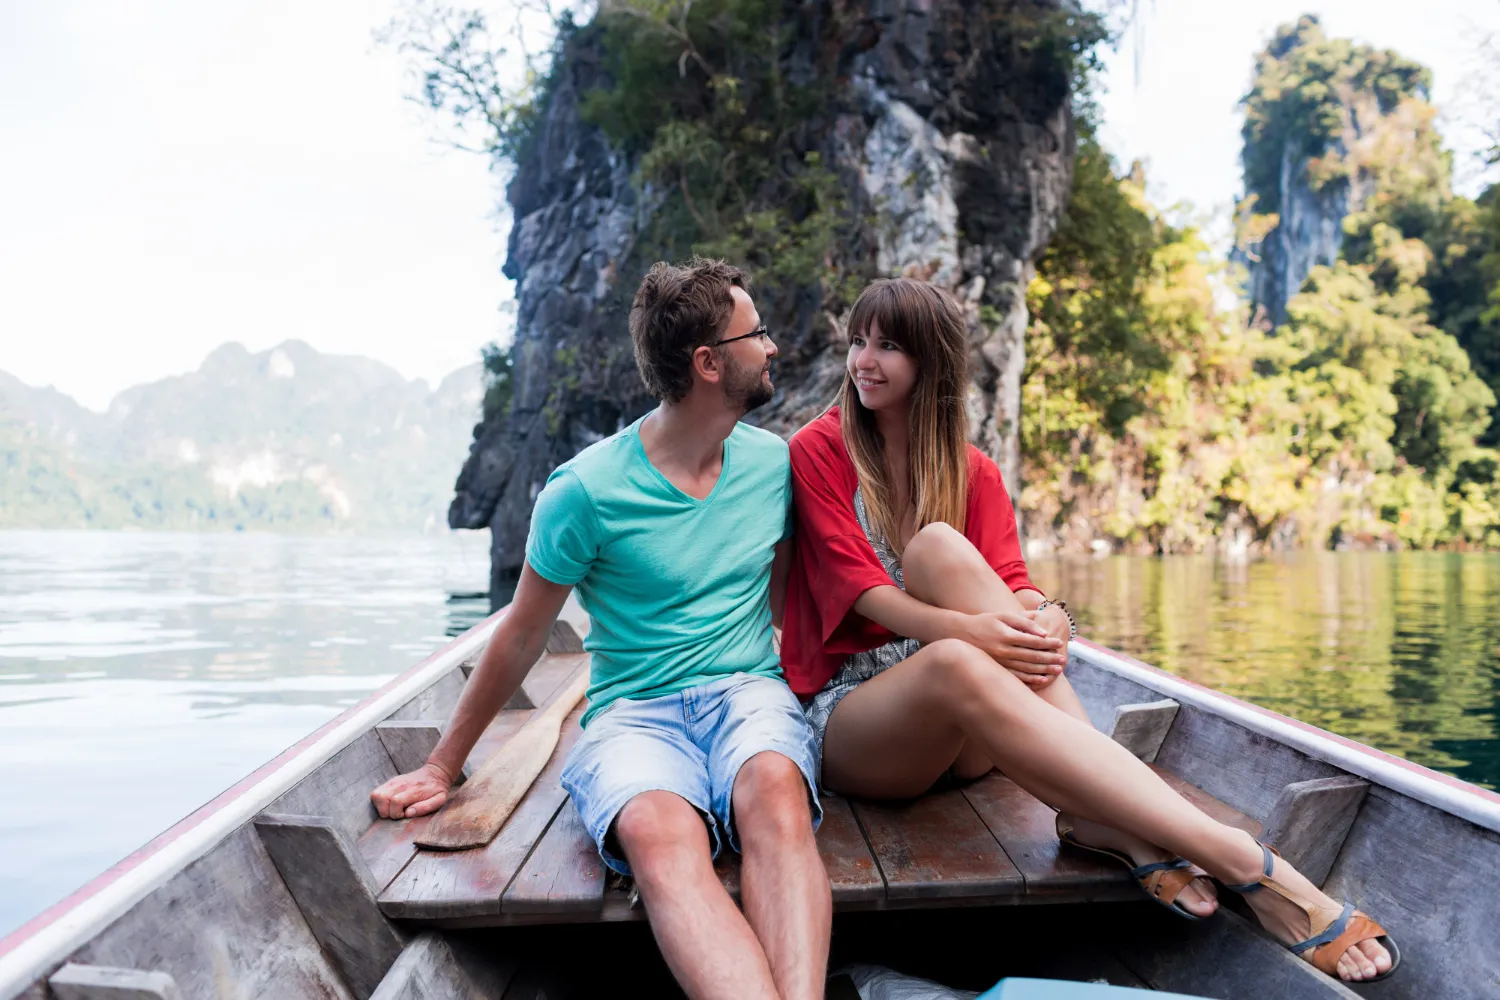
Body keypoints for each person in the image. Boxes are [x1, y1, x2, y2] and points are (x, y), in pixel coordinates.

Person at [780, 277, 1399, 985]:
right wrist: (977, 633)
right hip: (862, 725)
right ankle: (1244, 863)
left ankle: (1097, 817)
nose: (865, 359)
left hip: (970, 728)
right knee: (954, 657)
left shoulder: (970, 468)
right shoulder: (820, 449)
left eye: (889, 345)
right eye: (859, 341)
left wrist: (1049, 616)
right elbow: (858, 589)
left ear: (932, 362)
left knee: (941, 549)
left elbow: (1014, 580)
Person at [371, 258, 830, 1000]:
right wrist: (441, 765)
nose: (773, 347)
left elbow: (791, 593)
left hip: (748, 690)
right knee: (654, 830)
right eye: (759, 333)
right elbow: (522, 634)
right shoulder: (583, 491)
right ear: (709, 364)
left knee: (775, 790)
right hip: (634, 713)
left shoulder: (773, 464)